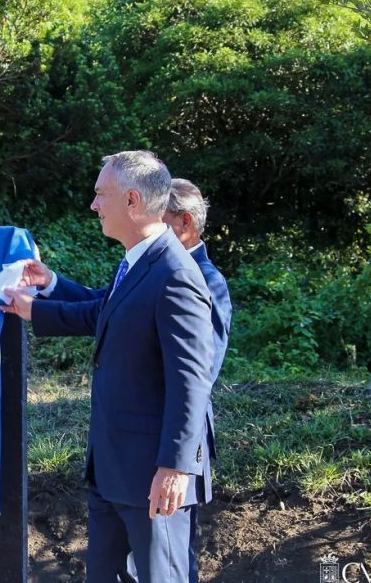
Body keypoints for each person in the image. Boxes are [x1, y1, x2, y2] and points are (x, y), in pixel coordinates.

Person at [1, 151, 214, 583]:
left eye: (101, 195)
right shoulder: (138, 262)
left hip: (153, 476)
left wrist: (175, 468)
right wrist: (41, 300)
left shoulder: (176, 275)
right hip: (113, 470)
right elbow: (103, 309)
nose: (94, 205)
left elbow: (191, 383)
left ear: (132, 201)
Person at [162, 178, 232, 583]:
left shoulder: (207, 280)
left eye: (160, 216)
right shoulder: (150, 268)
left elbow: (199, 375)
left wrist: (178, 460)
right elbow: (100, 304)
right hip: (145, 444)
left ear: (184, 222)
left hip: (178, 445)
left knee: (172, 562)